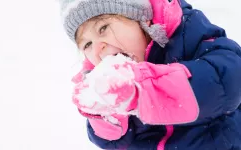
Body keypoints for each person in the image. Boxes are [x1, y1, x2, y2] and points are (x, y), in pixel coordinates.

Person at [58, 0, 241, 149]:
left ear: (142, 20)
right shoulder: (101, 80)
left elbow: (229, 78)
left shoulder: (185, 31)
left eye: (103, 28)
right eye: (87, 44)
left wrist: (143, 90)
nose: (98, 48)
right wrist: (106, 114)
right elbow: (113, 142)